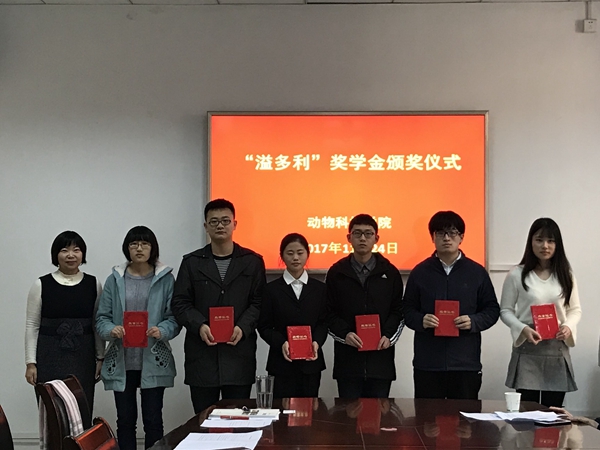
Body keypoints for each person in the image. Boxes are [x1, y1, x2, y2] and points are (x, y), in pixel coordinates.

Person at [172, 199, 266, 414]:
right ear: (206, 226)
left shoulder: (252, 261)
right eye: (214, 222)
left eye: (225, 221)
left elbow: (259, 302)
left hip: (239, 354)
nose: (220, 226)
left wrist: (243, 327)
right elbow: (180, 302)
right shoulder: (192, 262)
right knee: (204, 421)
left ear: (235, 224)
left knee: (239, 421)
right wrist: (200, 325)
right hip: (202, 355)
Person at [95, 226, 179, 450]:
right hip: (122, 361)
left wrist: (162, 330)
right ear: (127, 248)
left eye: (145, 244)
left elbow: (174, 317)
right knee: (125, 421)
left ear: (153, 248)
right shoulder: (114, 280)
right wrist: (111, 329)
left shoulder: (166, 280)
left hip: (153, 359)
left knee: (153, 421)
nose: (139, 248)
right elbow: (101, 318)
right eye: (134, 244)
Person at [403, 211, 499, 400]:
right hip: (428, 363)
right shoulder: (420, 272)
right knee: (427, 417)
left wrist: (473, 321)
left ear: (461, 237)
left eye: (452, 233)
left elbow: (492, 310)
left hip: (465, 363)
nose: (446, 238)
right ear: (432, 237)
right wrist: (421, 320)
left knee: (465, 417)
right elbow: (406, 310)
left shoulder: (477, 272)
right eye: (440, 233)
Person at [500, 218, 581, 407]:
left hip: (556, 346)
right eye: (539, 240)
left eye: (551, 241)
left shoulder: (566, 275)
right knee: (527, 412)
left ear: (557, 244)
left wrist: (568, 327)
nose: (545, 246)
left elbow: (575, 309)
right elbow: (505, 310)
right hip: (528, 346)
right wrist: (522, 329)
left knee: (553, 412)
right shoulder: (516, 274)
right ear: (531, 242)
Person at [326, 214, 404, 398]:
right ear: (349, 238)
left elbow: (398, 311)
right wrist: (345, 334)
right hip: (348, 363)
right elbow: (328, 313)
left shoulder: (390, 273)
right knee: (347, 414)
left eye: (368, 234)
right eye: (357, 233)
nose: (362, 238)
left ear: (376, 238)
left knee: (379, 414)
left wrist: (388, 336)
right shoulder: (337, 273)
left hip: (381, 362)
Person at [25, 230, 104, 410]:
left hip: (83, 356)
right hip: (49, 355)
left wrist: (100, 358)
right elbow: (32, 326)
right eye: (64, 250)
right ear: (56, 255)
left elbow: (96, 324)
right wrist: (31, 363)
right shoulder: (41, 284)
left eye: (76, 250)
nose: (70, 255)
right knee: (52, 408)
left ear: (82, 254)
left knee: (81, 406)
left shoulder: (94, 284)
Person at [258, 233, 327, 398]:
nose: (295, 257)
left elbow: (324, 323)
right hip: (281, 363)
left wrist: (317, 342)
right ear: (281, 256)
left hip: (311, 364)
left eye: (300, 253)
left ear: (307, 254)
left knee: (309, 410)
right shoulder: (270, 290)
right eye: (290, 253)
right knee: (282, 411)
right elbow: (264, 326)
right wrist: (281, 342)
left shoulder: (320, 289)